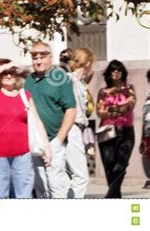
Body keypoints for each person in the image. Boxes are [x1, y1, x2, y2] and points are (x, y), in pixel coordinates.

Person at [0, 58, 50, 198]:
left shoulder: (24, 95)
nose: (8, 75)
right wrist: (6, 66)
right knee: (0, 196)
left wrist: (47, 147)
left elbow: (37, 122)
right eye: (4, 73)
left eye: (11, 72)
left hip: (23, 154)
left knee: (24, 196)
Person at [24, 41, 76, 198]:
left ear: (50, 58)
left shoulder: (60, 77)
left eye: (42, 56)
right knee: (40, 187)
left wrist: (59, 138)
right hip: (34, 142)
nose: (38, 61)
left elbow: (71, 109)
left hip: (54, 141)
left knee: (56, 186)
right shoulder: (29, 80)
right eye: (35, 57)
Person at [96, 59, 136, 198]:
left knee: (121, 164)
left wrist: (110, 109)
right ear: (108, 73)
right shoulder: (103, 92)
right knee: (109, 166)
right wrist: (117, 110)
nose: (116, 72)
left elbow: (128, 107)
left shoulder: (129, 88)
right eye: (113, 69)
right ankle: (115, 195)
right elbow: (99, 112)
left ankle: (111, 195)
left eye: (118, 69)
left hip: (126, 130)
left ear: (123, 72)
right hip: (106, 130)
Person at [65, 48, 95, 198]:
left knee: (70, 176)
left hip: (76, 129)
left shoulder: (79, 82)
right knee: (81, 177)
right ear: (88, 63)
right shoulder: (69, 79)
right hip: (71, 128)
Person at [140, 70, 150, 189]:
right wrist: (142, 138)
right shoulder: (148, 97)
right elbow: (145, 117)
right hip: (148, 132)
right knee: (147, 156)